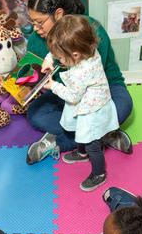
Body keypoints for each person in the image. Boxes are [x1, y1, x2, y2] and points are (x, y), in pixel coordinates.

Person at [24, 0, 133, 164]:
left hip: (100, 91)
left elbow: (86, 82)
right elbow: (42, 78)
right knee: (35, 114)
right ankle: (103, 134)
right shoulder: (37, 40)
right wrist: (31, 86)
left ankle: (60, 142)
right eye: (32, 22)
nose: (35, 28)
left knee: (123, 106)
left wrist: (54, 82)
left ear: (58, 14)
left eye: (40, 22)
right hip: (65, 94)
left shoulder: (89, 29)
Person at [42, 15, 120, 191]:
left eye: (60, 58)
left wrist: (53, 86)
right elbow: (60, 48)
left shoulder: (82, 72)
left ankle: (99, 173)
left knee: (92, 142)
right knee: (78, 128)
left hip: (91, 108)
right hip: (85, 101)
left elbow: (71, 96)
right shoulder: (87, 48)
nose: (59, 61)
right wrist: (49, 59)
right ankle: (82, 152)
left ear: (74, 54)